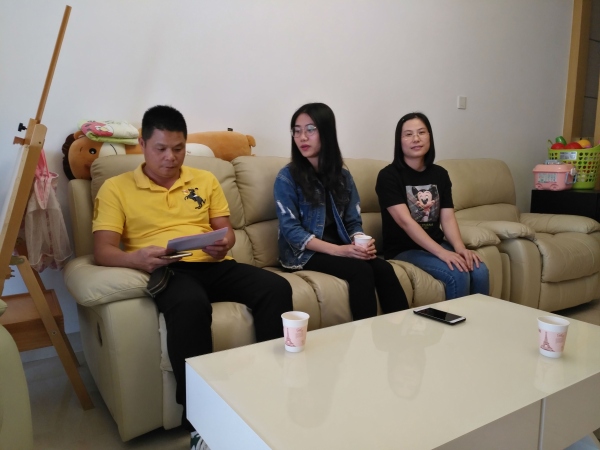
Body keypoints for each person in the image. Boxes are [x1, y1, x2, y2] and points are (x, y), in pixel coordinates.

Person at [93, 105, 293, 450]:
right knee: (190, 306)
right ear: (142, 144)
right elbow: (102, 251)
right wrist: (135, 258)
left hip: (214, 263)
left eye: (178, 148)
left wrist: (224, 242)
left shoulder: (204, 180)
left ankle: (269, 388)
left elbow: (225, 231)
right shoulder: (115, 188)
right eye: (161, 148)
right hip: (167, 269)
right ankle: (200, 423)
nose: (170, 157)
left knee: (276, 287)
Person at [274, 102, 409, 320]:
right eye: (296, 131)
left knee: (383, 268)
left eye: (310, 129)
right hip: (303, 254)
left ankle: (403, 331)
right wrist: (340, 251)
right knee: (360, 270)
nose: (302, 137)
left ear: (326, 132)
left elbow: (353, 221)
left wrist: (360, 242)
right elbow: (292, 231)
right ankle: (364, 333)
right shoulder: (287, 177)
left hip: (341, 248)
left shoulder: (343, 176)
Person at [375, 112, 489, 299]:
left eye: (421, 132)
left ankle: (477, 318)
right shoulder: (388, 176)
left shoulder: (440, 174)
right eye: (408, 134)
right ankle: (454, 318)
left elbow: (448, 218)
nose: (416, 139)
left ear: (430, 136)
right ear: (399, 141)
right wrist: (442, 253)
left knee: (479, 270)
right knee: (458, 273)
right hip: (404, 249)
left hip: (436, 243)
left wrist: (460, 248)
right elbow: (405, 222)